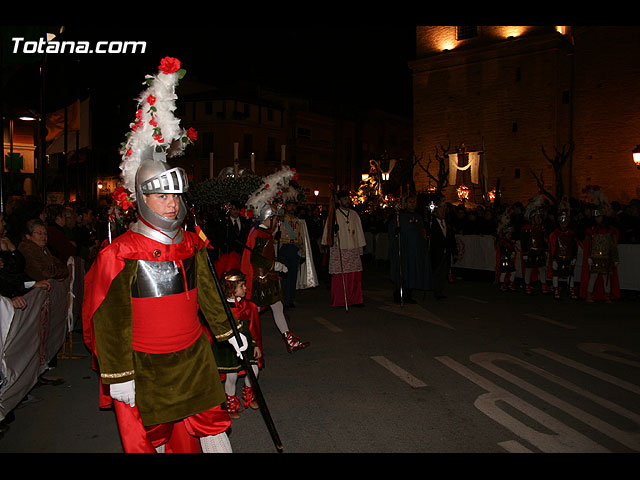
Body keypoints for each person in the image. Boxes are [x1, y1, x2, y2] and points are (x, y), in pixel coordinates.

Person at [82, 56, 238, 453]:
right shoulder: (121, 254)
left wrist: (229, 334)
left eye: (174, 195)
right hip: (146, 367)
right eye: (160, 195)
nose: (170, 204)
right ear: (142, 198)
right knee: (154, 442)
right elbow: (107, 318)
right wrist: (118, 374)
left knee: (208, 432)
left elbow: (209, 295)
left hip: (194, 358)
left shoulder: (190, 243)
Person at [241, 191, 310, 354]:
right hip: (261, 280)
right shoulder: (260, 235)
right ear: (268, 218)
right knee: (254, 312)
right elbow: (256, 259)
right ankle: (244, 340)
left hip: (266, 279)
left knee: (277, 307)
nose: (277, 223)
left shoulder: (261, 232)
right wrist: (277, 266)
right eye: (276, 219)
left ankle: (289, 340)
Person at [212, 256, 262, 419]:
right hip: (228, 347)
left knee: (253, 369)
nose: (246, 288)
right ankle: (231, 401)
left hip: (245, 344)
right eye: (242, 285)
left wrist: (254, 344)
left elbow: (249, 328)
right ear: (232, 289)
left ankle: (249, 391)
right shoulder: (223, 308)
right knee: (232, 376)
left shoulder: (246, 305)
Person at [321, 190, 366, 308]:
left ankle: (355, 299)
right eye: (345, 199)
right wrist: (333, 233)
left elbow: (359, 232)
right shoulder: (334, 215)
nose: (348, 201)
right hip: (339, 248)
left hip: (353, 248)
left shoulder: (354, 214)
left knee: (354, 275)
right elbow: (327, 234)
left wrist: (360, 248)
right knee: (340, 276)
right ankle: (340, 300)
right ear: (339, 201)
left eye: (348, 198)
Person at [388, 195, 432, 303]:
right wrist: (396, 231)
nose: (413, 204)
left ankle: (409, 294)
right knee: (403, 272)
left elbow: (422, 232)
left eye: (414, 202)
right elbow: (391, 229)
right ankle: (399, 294)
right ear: (406, 203)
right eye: (410, 202)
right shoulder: (400, 216)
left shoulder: (418, 217)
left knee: (413, 272)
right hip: (404, 250)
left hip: (415, 251)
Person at [579, 204, 620, 303]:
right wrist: (589, 257)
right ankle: (589, 295)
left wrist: (615, 259)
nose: (598, 219)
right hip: (595, 257)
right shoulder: (591, 231)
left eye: (599, 217)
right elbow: (590, 245)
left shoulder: (610, 231)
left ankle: (607, 296)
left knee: (606, 278)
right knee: (593, 277)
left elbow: (613, 246)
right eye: (596, 217)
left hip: (607, 257)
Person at [547, 202, 580, 300]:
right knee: (556, 274)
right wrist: (553, 259)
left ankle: (571, 290)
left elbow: (574, 246)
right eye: (561, 222)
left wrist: (574, 257)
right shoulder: (555, 234)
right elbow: (552, 247)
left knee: (570, 274)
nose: (563, 224)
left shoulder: (571, 233)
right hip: (558, 257)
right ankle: (556, 290)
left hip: (568, 257)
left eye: (565, 222)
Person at [427, 198, 458, 300]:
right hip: (436, 252)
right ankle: (435, 290)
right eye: (442, 207)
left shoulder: (448, 223)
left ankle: (439, 291)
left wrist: (455, 252)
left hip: (446, 252)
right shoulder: (431, 223)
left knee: (443, 272)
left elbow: (451, 239)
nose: (444, 210)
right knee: (436, 271)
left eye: (445, 207)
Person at [277, 199, 305, 307]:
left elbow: (302, 237)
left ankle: (290, 299)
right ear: (286, 207)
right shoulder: (281, 220)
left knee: (293, 276)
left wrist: (303, 253)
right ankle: (284, 299)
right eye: (290, 206)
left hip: (295, 249)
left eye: (294, 206)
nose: (292, 208)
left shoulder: (299, 221)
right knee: (284, 275)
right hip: (284, 247)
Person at [521, 196, 550, 295]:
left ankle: (543, 284)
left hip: (540, 251)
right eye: (537, 217)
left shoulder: (541, 228)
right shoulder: (527, 229)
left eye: (540, 217)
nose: (539, 219)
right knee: (528, 269)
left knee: (542, 269)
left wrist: (546, 249)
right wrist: (525, 253)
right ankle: (527, 285)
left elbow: (544, 240)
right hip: (530, 252)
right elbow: (524, 242)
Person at [495, 211, 517, 292]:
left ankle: (510, 284)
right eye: (508, 234)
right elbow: (504, 251)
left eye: (510, 234)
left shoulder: (510, 242)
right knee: (504, 272)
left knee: (513, 272)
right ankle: (502, 285)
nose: (510, 236)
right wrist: (510, 254)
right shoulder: (503, 243)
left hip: (510, 260)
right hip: (504, 260)